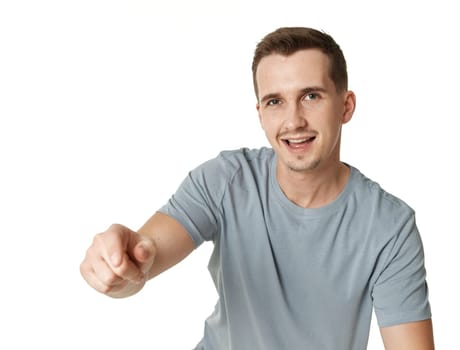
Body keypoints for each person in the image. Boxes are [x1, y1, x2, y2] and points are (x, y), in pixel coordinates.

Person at [80, 27, 434, 349]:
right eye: (275, 101)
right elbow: (145, 258)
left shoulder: (390, 226)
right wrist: (118, 267)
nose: (293, 121)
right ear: (261, 113)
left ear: (346, 106)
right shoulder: (226, 180)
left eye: (311, 96)